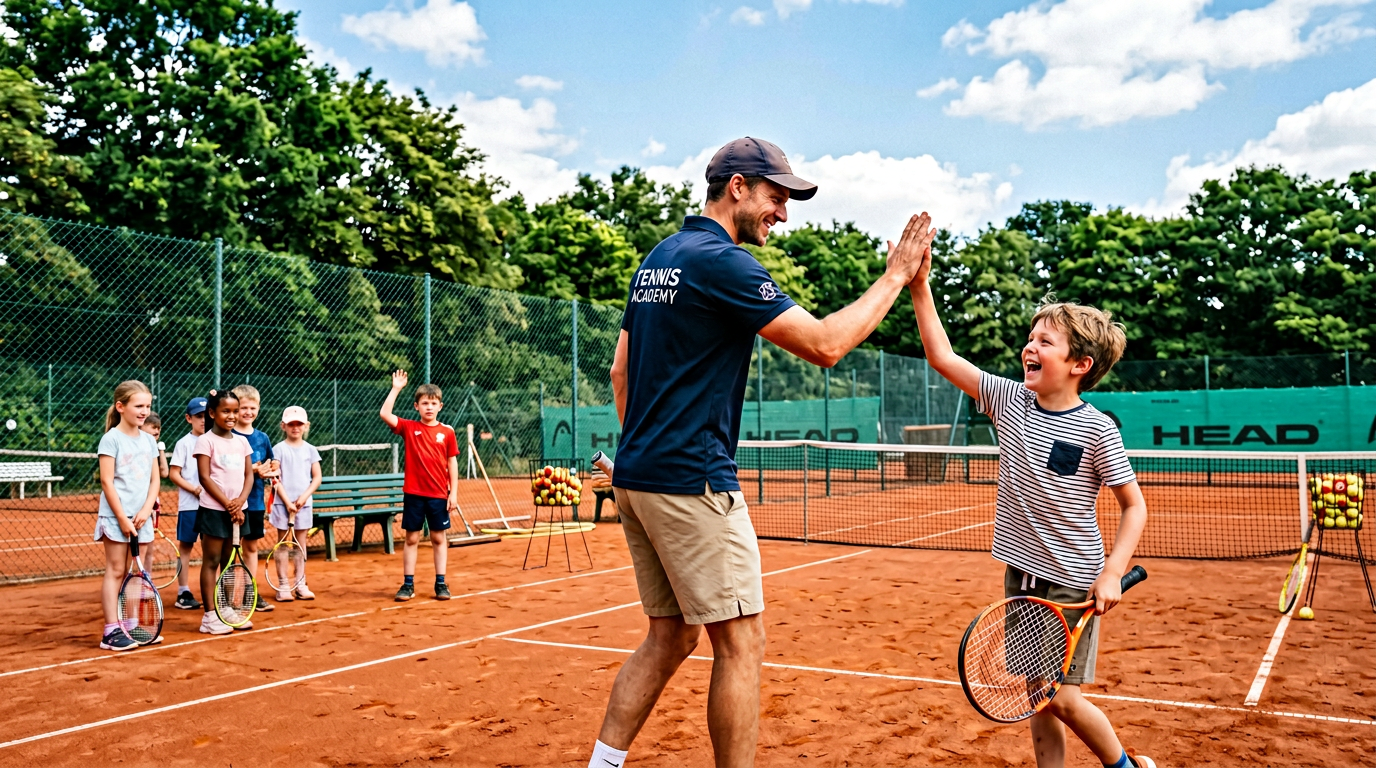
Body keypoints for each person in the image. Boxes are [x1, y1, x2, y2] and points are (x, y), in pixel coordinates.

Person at [588, 137, 936, 768]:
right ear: (739, 186)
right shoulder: (725, 263)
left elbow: (620, 372)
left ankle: (602, 764)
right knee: (742, 643)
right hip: (692, 481)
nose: (783, 213)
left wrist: (637, 452)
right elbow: (826, 344)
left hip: (638, 478)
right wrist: (895, 277)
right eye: (777, 197)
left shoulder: (659, 259)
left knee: (670, 635)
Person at [909, 245, 1155, 768]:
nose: (1030, 345)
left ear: (1079, 365)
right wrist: (919, 285)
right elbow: (942, 357)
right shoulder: (1008, 399)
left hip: (1073, 581)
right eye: (1030, 337)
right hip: (1022, 576)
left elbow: (1134, 507)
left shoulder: (1098, 428)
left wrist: (1112, 573)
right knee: (1036, 694)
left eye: (1045, 340)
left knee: (1061, 696)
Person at [379, 370, 460, 602]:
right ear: (416, 406)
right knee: (412, 539)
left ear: (440, 406)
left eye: (433, 403)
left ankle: (441, 583)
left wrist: (453, 493)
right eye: (425, 403)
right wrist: (396, 388)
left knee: (438, 538)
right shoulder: (408, 427)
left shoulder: (447, 432)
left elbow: (452, 462)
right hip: (414, 495)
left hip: (437, 495)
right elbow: (385, 413)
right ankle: (408, 584)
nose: (429, 407)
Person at [94, 380, 162, 651]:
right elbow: (107, 481)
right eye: (138, 406)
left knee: (137, 570)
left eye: (147, 406)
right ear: (120, 407)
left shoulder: (149, 440)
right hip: (116, 518)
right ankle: (111, 631)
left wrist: (146, 510)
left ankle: (131, 625)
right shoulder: (111, 438)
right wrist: (122, 517)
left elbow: (155, 480)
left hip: (141, 518)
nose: (144, 411)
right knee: (116, 569)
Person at [193, 389, 255, 635]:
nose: (232, 416)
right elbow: (205, 477)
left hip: (239, 511)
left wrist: (239, 502)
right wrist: (229, 505)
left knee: (229, 562)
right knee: (211, 561)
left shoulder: (242, 441)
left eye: (235, 411)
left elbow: (249, 475)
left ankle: (226, 609)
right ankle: (209, 616)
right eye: (225, 411)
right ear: (212, 413)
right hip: (214, 511)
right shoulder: (205, 441)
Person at [230, 384, 278, 613]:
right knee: (230, 551)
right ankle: (229, 598)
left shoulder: (262, 437)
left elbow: (272, 460)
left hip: (256, 502)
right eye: (243, 408)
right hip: (233, 502)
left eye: (252, 408)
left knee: (250, 548)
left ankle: (251, 594)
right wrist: (254, 471)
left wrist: (273, 468)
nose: (248, 412)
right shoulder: (228, 436)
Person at [269, 405, 322, 601]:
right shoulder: (278, 449)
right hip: (282, 505)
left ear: (306, 426)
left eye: (299, 424)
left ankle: (300, 583)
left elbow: (317, 477)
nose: (295, 428)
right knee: (283, 545)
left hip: (303, 505)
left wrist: (303, 498)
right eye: (291, 424)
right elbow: (275, 478)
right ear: (283, 426)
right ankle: (283, 586)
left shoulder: (311, 450)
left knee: (301, 545)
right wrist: (286, 501)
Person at [168, 397, 208, 610]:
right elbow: (174, 474)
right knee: (186, 547)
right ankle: (183, 591)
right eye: (198, 417)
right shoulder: (183, 444)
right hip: (190, 505)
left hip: (213, 506)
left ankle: (214, 590)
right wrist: (193, 489)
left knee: (213, 549)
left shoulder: (216, 440)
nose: (203, 420)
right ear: (188, 418)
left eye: (205, 416)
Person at [140, 411, 169, 480]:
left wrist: (161, 450)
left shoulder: (156, 447)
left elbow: (164, 473)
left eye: (158, 428)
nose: (157, 431)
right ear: (141, 428)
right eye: (154, 427)